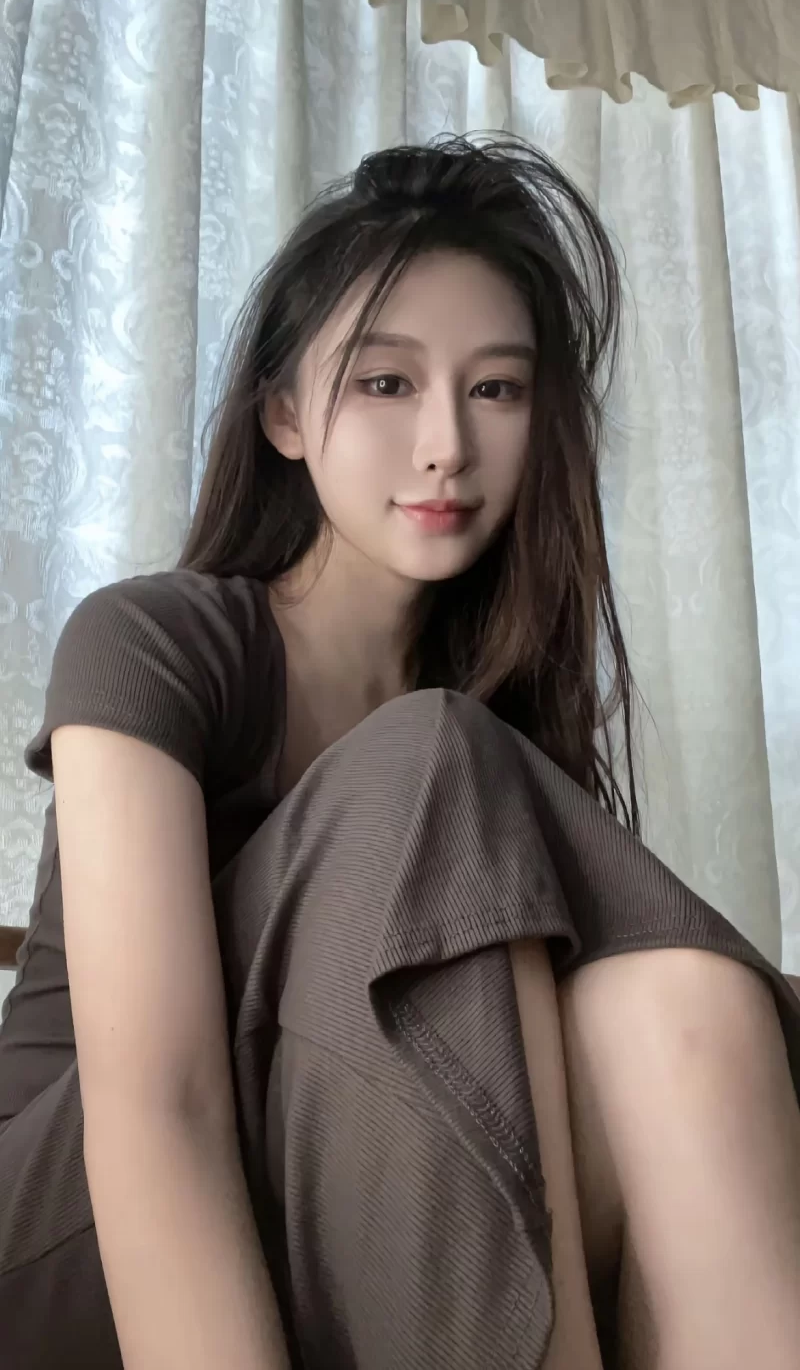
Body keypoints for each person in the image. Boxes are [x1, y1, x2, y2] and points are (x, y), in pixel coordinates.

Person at [0, 131, 798, 1370]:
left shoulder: (495, 725)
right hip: (72, 1222)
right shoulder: (153, 642)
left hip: (341, 1173)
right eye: (384, 382)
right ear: (282, 412)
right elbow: (159, 1104)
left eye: (496, 390)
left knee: (675, 999)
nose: (445, 445)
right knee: (428, 758)